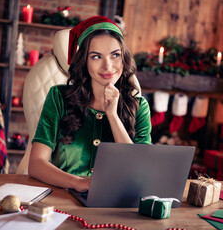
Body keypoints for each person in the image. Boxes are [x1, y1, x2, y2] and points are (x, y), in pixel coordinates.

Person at [28, 16, 152, 192]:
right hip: (64, 198)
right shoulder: (58, 97)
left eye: (115, 55)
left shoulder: (139, 107)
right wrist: (77, 183)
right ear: (84, 61)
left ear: (123, 58)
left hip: (118, 203)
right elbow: (36, 164)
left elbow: (140, 171)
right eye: (96, 57)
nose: (108, 66)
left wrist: (113, 116)